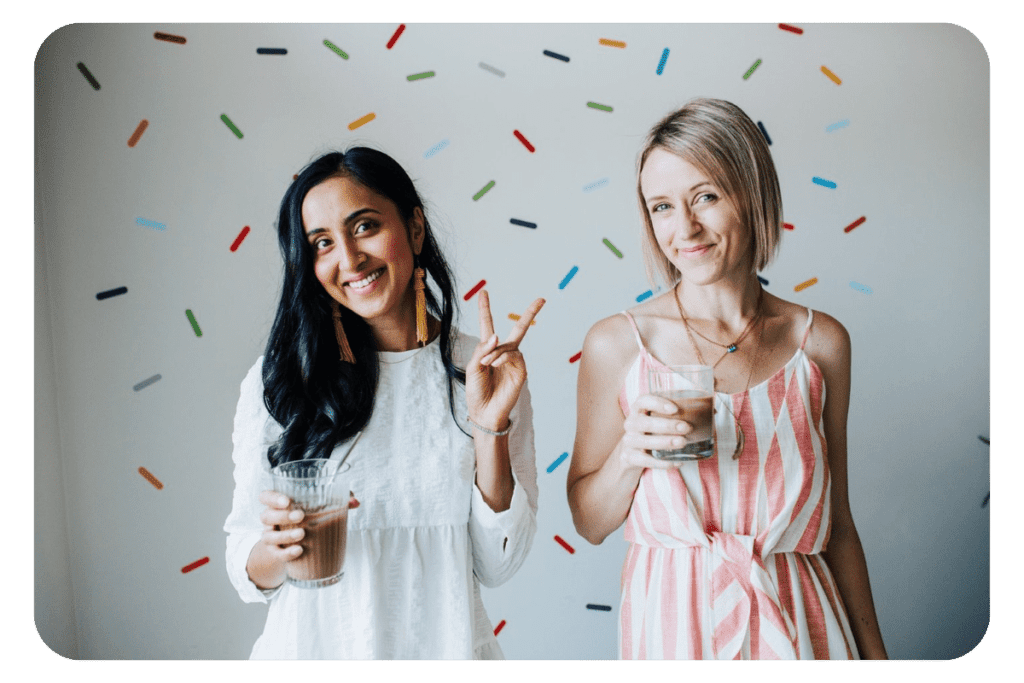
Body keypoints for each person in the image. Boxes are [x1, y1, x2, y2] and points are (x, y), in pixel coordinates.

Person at [566, 99, 888, 660]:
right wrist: (629, 454)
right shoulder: (617, 345)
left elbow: (837, 525)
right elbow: (590, 524)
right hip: (671, 631)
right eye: (662, 207)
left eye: (706, 197)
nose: (684, 227)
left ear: (753, 194)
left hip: (801, 625)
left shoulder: (821, 345)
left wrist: (877, 659)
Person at [224, 147, 544, 660]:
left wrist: (490, 429)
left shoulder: (486, 370)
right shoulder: (282, 379)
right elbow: (244, 566)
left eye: (365, 226)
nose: (349, 260)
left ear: (415, 229)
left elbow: (497, 565)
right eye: (322, 243)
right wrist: (280, 550)